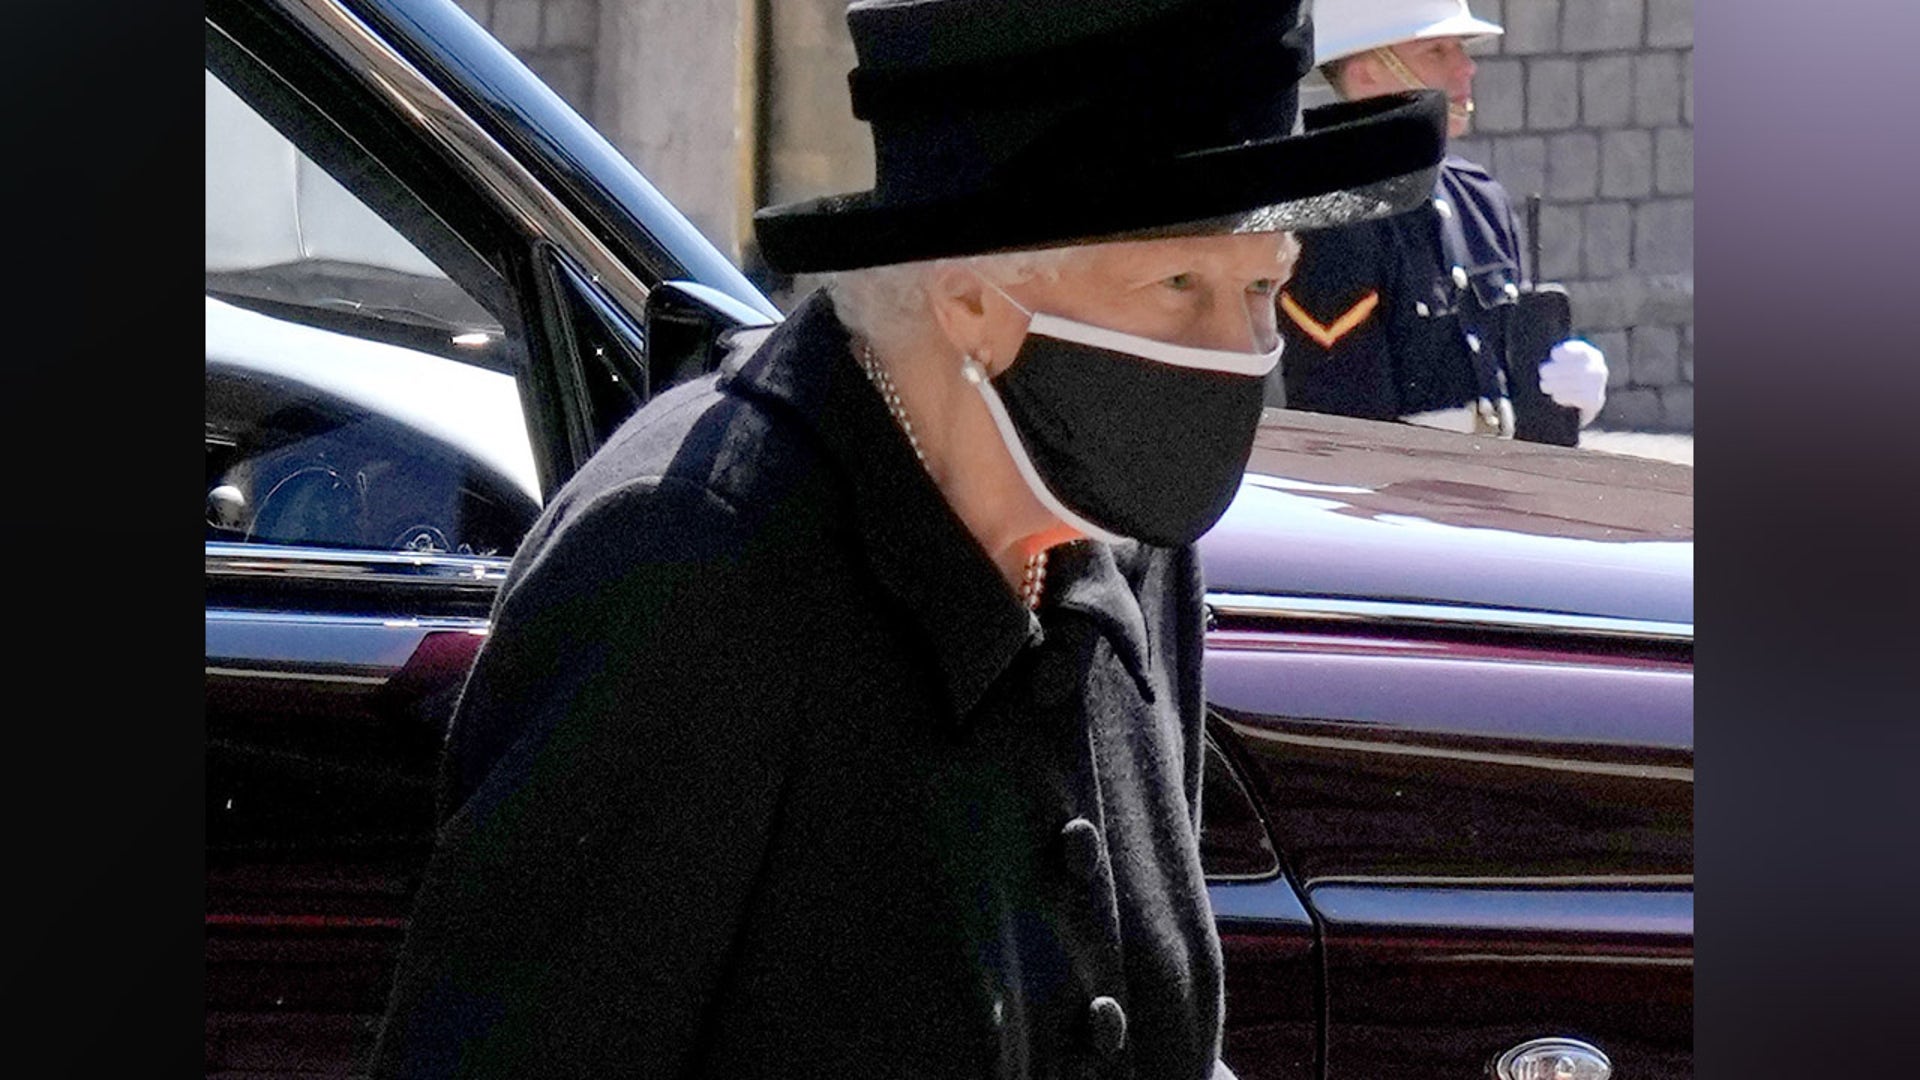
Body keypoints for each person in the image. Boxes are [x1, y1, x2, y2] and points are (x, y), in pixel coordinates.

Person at [368, 1, 1447, 1077]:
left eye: (1264, 286)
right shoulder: (692, 561)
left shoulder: (1115, 537)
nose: (1241, 351)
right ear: (973, 296)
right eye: (1180, 285)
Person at [1268, 0, 1610, 441]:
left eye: (1460, 49)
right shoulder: (1329, 215)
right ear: (1366, 71)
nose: (1466, 69)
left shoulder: (1480, 198)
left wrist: (1561, 398)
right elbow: (1345, 420)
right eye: (1437, 52)